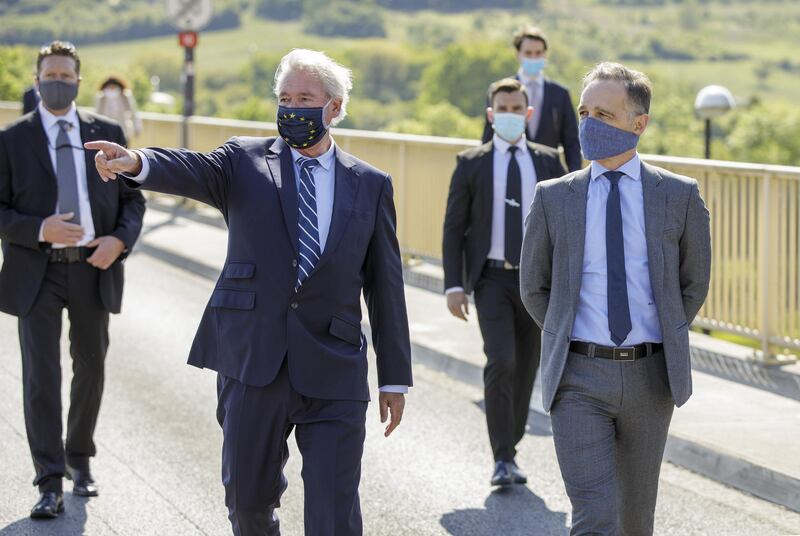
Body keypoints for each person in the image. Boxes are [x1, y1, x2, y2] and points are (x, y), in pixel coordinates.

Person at [85, 48, 412, 536]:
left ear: (335, 108)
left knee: (334, 511)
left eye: (305, 98)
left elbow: (386, 287)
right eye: (285, 97)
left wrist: (394, 378)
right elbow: (187, 168)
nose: (292, 107)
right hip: (253, 360)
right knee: (248, 503)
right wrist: (135, 161)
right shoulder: (243, 162)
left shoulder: (370, 184)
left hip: (335, 366)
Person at [520, 62, 711, 535]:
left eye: (603, 114)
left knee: (634, 519)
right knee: (595, 512)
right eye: (584, 112)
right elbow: (534, 286)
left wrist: (662, 330)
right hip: (577, 376)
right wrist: (568, 331)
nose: (588, 124)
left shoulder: (679, 196)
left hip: (651, 378)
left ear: (637, 123)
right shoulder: (553, 198)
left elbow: (694, 282)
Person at [0, 41, 146, 519]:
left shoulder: (107, 132)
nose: (57, 81)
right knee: (42, 378)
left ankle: (79, 458)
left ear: (78, 82)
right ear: (38, 79)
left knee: (91, 367)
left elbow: (133, 201)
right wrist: (39, 228)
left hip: (92, 267)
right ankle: (49, 480)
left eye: (66, 74)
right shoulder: (11, 140)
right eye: (49, 74)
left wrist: (118, 241)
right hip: (36, 272)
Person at [443, 78, 566, 488]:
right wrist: (453, 285)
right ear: (491, 114)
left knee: (528, 366)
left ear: (527, 114)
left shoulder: (550, 161)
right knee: (502, 360)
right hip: (491, 278)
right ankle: (502, 457)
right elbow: (453, 228)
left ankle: (509, 446)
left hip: (537, 281)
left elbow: (567, 226)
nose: (510, 115)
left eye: (518, 108)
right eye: (503, 108)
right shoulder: (471, 162)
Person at [481, 26, 582, 172]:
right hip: (507, 168)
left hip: (548, 172)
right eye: (528, 53)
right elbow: (488, 135)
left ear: (545, 54)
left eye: (538, 53)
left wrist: (575, 179)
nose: (533, 58)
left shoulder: (560, 94)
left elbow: (571, 141)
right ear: (518, 54)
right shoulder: (497, 91)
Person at [94, 76, 142, 142]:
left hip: (123, 132)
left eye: (113, 87)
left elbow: (133, 112)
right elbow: (97, 114)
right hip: (106, 133)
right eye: (109, 87)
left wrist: (137, 128)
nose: (111, 90)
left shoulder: (125, 96)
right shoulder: (102, 97)